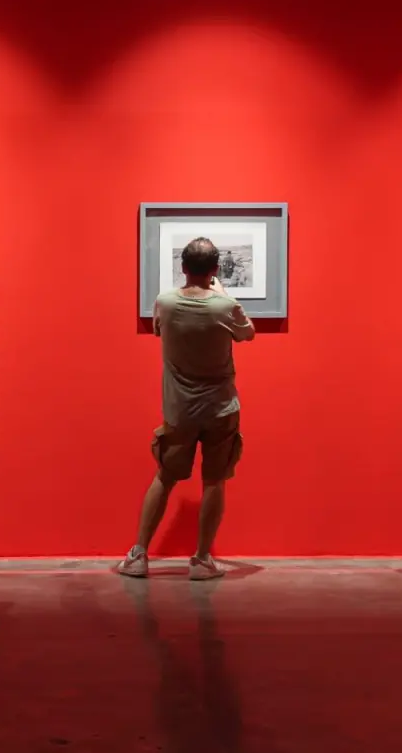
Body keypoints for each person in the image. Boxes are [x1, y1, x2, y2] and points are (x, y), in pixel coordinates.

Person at [118, 237, 255, 581]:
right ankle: (202, 559)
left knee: (164, 477)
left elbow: (157, 329)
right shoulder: (226, 305)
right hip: (221, 408)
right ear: (214, 269)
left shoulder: (165, 302)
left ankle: (138, 555)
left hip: (179, 410)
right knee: (214, 482)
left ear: (183, 267)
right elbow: (248, 334)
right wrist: (222, 293)